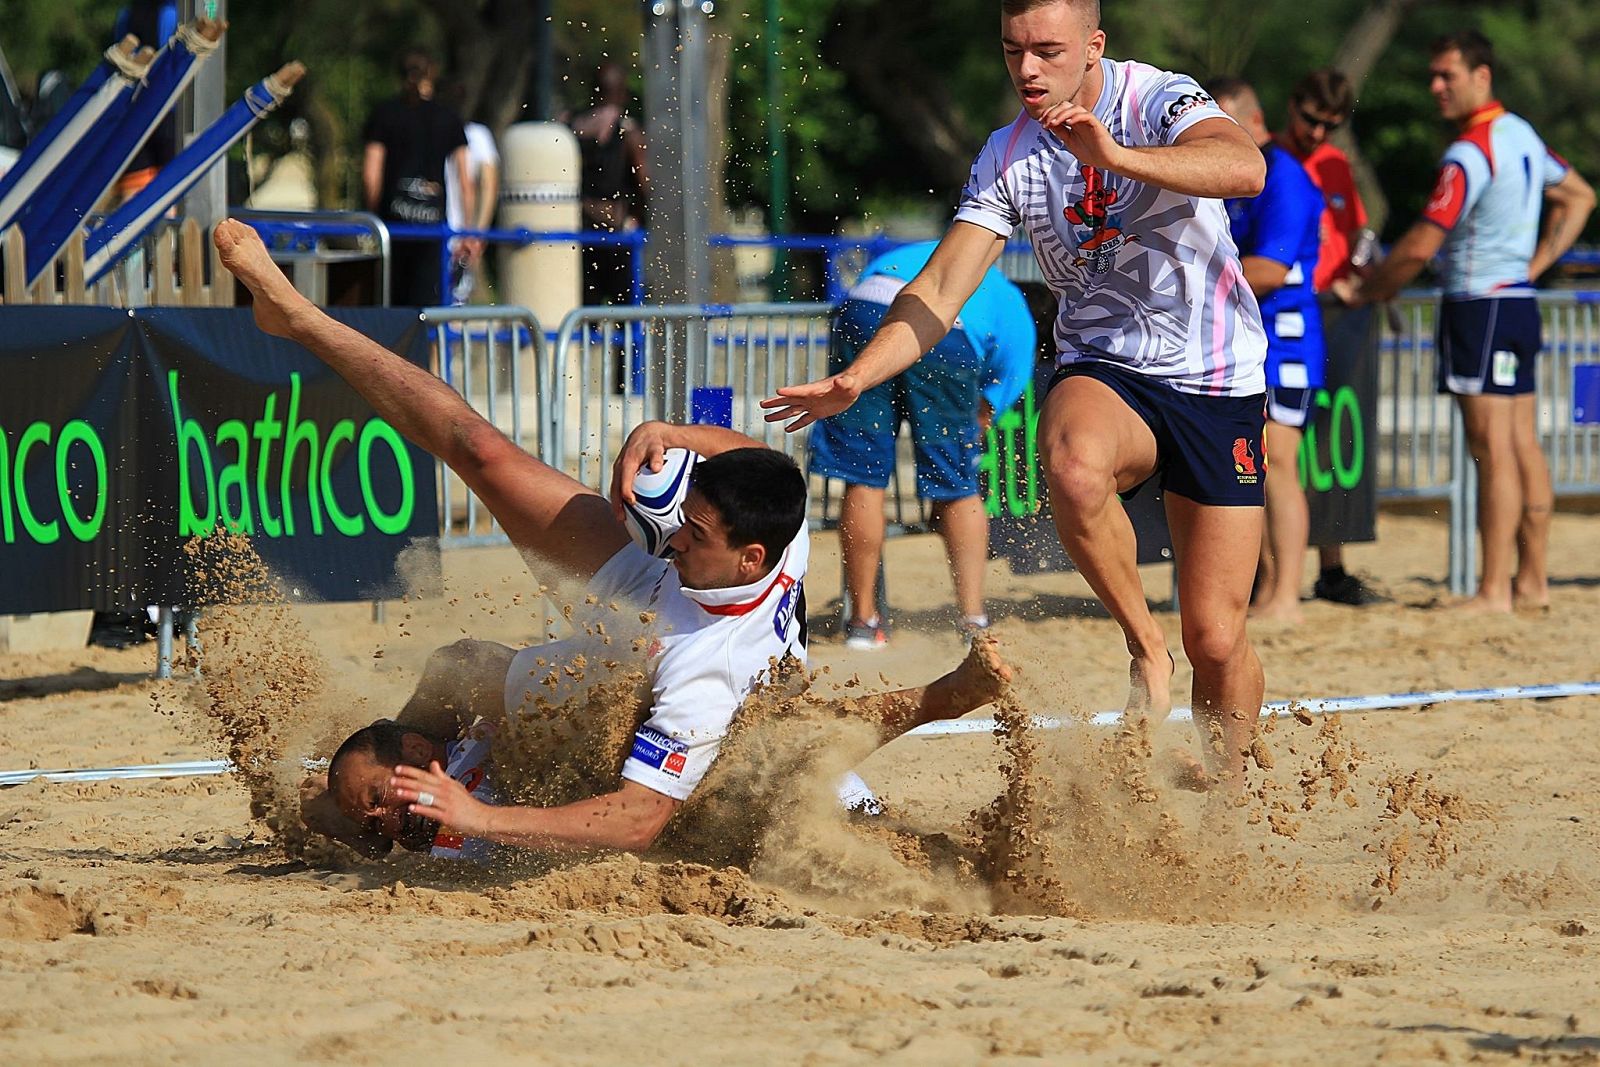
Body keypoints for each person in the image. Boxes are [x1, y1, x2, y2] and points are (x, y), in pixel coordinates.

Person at [211, 218, 1011, 858]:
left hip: (636, 694)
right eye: (681, 520)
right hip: (644, 611)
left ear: (748, 557)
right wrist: (668, 431)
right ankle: (300, 319)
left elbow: (636, 819)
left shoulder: (708, 674)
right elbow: (758, 459)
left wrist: (478, 818)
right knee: (478, 464)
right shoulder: (775, 524)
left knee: (793, 760)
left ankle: (412, 803)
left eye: (691, 532)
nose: (671, 537)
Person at [765, 0, 1269, 786]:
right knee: (1072, 464)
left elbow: (1243, 168)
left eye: (1047, 51)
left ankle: (1230, 791)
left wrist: (1114, 156)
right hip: (1106, 364)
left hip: (1217, 376)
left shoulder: (1158, 97)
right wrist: (859, 374)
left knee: (1216, 635)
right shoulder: (1008, 153)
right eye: (1012, 50)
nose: (1027, 70)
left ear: (1094, 46)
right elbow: (941, 285)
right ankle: (1145, 645)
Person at [1336, 31, 1595, 613]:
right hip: (1516, 302)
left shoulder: (1471, 152)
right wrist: (1533, 267)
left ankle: (1492, 589)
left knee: (1493, 449)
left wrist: (1370, 290)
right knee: (1522, 443)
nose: (1435, 87)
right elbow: (1579, 196)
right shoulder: (1522, 134)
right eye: (1433, 75)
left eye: (1446, 75)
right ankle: (1531, 583)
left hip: (1480, 306)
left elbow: (1421, 243)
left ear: (1482, 76)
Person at [809, 240, 1035, 649]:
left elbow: (865, 298)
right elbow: (1000, 392)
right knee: (958, 486)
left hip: (866, 310)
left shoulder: (913, 252)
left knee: (864, 478)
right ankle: (972, 621)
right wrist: (975, 428)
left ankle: (863, 623)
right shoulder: (1007, 297)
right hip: (948, 330)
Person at [1210, 78, 1326, 624]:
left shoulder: (1284, 177)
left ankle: (1287, 595)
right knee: (1248, 465)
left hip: (1286, 342)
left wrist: (1190, 287)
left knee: (1278, 463)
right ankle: (1266, 591)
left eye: (1223, 122)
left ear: (1255, 122)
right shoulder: (1232, 174)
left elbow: (1270, 269)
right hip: (1243, 339)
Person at [1276, 68, 1385, 607]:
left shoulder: (1336, 164)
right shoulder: (1269, 159)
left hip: (1334, 318)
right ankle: (1272, 579)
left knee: (1330, 447)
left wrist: (1361, 273)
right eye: (1311, 120)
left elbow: (1359, 230)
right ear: (1291, 105)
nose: (1317, 133)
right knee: (1277, 455)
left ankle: (1331, 567)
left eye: (1330, 125)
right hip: (1286, 317)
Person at [362, 49, 477, 307]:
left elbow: (371, 174)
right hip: (432, 229)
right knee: (429, 309)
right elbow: (466, 181)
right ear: (432, 74)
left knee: (389, 307)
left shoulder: (384, 114)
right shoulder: (448, 118)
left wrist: (373, 216)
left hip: (392, 228)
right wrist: (468, 230)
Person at [568, 62, 650, 305]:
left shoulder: (572, 126)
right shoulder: (627, 130)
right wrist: (640, 219)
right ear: (622, 92)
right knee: (626, 312)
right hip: (617, 232)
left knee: (584, 314)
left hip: (578, 232)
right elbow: (645, 183)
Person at [440, 79, 499, 304]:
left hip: (441, 229)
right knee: (455, 304)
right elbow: (488, 184)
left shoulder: (433, 129)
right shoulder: (478, 135)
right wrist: (477, 233)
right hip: (460, 231)